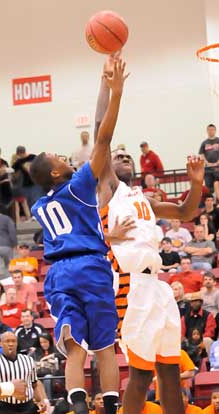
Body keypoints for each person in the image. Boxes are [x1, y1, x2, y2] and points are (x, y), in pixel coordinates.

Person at [95, 54, 204, 414]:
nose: (123, 157)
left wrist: (196, 184)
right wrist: (111, 87)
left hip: (158, 285)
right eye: (119, 155)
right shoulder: (110, 189)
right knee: (140, 375)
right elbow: (103, 132)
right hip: (131, 286)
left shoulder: (146, 199)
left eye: (128, 156)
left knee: (170, 371)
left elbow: (188, 212)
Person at [30, 59, 128, 414]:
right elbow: (103, 137)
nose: (66, 156)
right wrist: (115, 92)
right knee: (103, 346)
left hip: (57, 273)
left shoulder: (41, 204)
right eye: (59, 156)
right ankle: (112, 407)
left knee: (74, 346)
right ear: (57, 170)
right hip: (89, 267)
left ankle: (77, 404)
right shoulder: (78, 186)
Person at [0, 331, 48, 414]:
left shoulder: (28, 360)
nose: (11, 344)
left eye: (13, 341)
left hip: (28, 406)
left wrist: (40, 400)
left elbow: (34, 384)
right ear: (1, 344)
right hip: (5, 406)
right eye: (7, 341)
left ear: (17, 343)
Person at [31, 331, 64, 400]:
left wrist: (51, 356)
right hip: (39, 376)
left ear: (49, 341)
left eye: (45, 342)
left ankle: (48, 399)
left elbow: (64, 355)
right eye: (41, 343)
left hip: (55, 376)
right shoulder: (35, 352)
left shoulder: (55, 349)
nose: (43, 344)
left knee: (48, 377)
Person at [0, 212, 17, 282]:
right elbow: (12, 231)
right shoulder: (7, 219)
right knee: (9, 264)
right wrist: (15, 243)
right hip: (6, 245)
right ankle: (9, 282)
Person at [199, 124, 219, 199]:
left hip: (217, 167)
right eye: (209, 130)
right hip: (208, 168)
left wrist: (217, 162)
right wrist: (207, 163)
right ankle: (212, 201)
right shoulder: (204, 143)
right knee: (209, 186)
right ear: (207, 131)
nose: (211, 131)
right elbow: (201, 154)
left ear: (215, 130)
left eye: (212, 130)